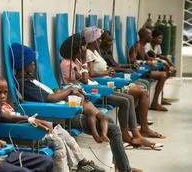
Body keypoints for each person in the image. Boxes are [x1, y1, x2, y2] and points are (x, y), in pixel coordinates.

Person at [9, 42, 141, 172]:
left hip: (67, 110)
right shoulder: (24, 83)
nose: (35, 65)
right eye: (32, 62)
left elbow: (53, 93)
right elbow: (50, 98)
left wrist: (65, 92)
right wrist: (69, 90)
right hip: (64, 116)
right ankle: (124, 169)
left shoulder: (32, 80)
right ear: (24, 65)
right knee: (114, 130)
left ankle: (121, 166)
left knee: (109, 122)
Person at [0, 77, 105, 172]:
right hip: (26, 135)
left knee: (63, 133)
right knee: (58, 142)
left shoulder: (7, 105)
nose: (3, 96)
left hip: (29, 128)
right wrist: (30, 122)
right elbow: (8, 121)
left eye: (5, 93)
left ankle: (83, 163)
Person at [98, 30, 165, 139]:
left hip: (116, 77)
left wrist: (128, 66)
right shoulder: (100, 53)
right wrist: (124, 69)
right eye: (109, 41)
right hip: (112, 81)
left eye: (112, 41)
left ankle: (138, 121)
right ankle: (137, 125)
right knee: (140, 89)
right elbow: (106, 70)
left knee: (143, 86)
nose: (111, 43)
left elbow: (115, 65)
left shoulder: (107, 50)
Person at [129, 28, 169, 111]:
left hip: (145, 71)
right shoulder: (137, 46)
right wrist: (146, 62)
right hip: (138, 72)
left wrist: (160, 60)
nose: (151, 37)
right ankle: (154, 102)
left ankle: (158, 100)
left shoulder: (142, 46)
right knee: (162, 75)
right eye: (149, 35)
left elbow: (148, 58)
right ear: (144, 36)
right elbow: (132, 61)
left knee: (164, 72)